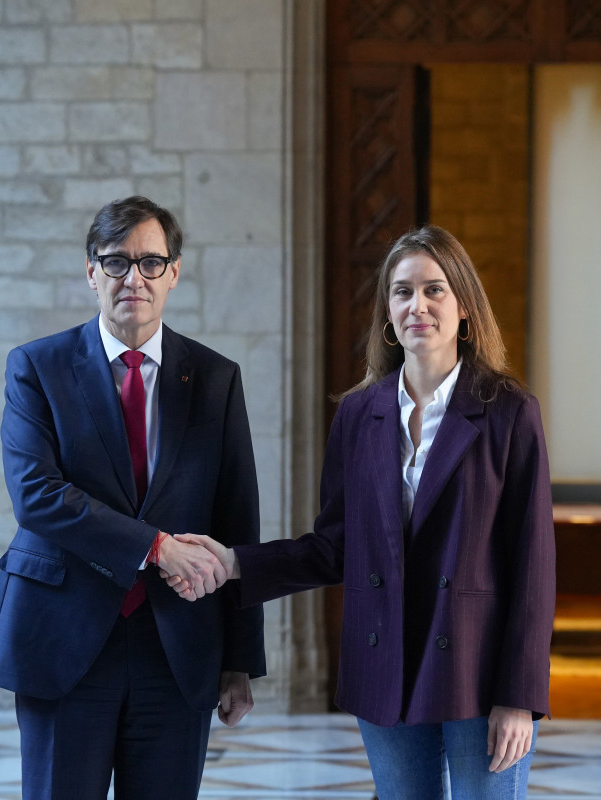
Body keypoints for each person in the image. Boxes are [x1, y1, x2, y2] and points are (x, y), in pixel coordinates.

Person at [171, 225, 555, 800]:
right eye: (401, 292)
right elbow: (334, 547)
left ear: (466, 308)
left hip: (480, 668)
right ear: (386, 314)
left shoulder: (508, 411)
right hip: (386, 663)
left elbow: (533, 566)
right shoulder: (358, 414)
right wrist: (234, 563)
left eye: (434, 290)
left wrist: (519, 696)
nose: (416, 306)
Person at [0, 196, 266, 800]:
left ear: (174, 273)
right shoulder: (37, 367)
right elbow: (37, 496)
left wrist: (239, 658)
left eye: (151, 262)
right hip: (64, 639)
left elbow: (238, 518)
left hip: (177, 645)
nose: (134, 278)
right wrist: (154, 546)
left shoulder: (214, 378)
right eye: (116, 262)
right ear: (91, 272)